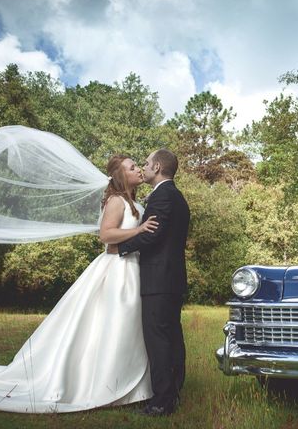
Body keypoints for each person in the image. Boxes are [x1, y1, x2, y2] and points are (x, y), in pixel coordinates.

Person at [0, 154, 159, 413]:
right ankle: (107, 385)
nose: (137, 170)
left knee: (123, 327)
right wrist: (139, 229)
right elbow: (106, 235)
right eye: (132, 167)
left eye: (138, 166)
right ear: (120, 176)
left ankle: (127, 384)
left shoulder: (131, 201)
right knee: (112, 326)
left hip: (130, 268)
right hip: (116, 270)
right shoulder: (117, 201)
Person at [111, 149, 190, 417]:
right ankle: (173, 392)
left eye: (145, 163)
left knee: (159, 340)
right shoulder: (174, 196)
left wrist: (120, 248)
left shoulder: (164, 196)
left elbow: (152, 236)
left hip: (159, 280)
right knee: (171, 337)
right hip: (170, 279)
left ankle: (162, 401)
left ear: (157, 167)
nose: (143, 168)